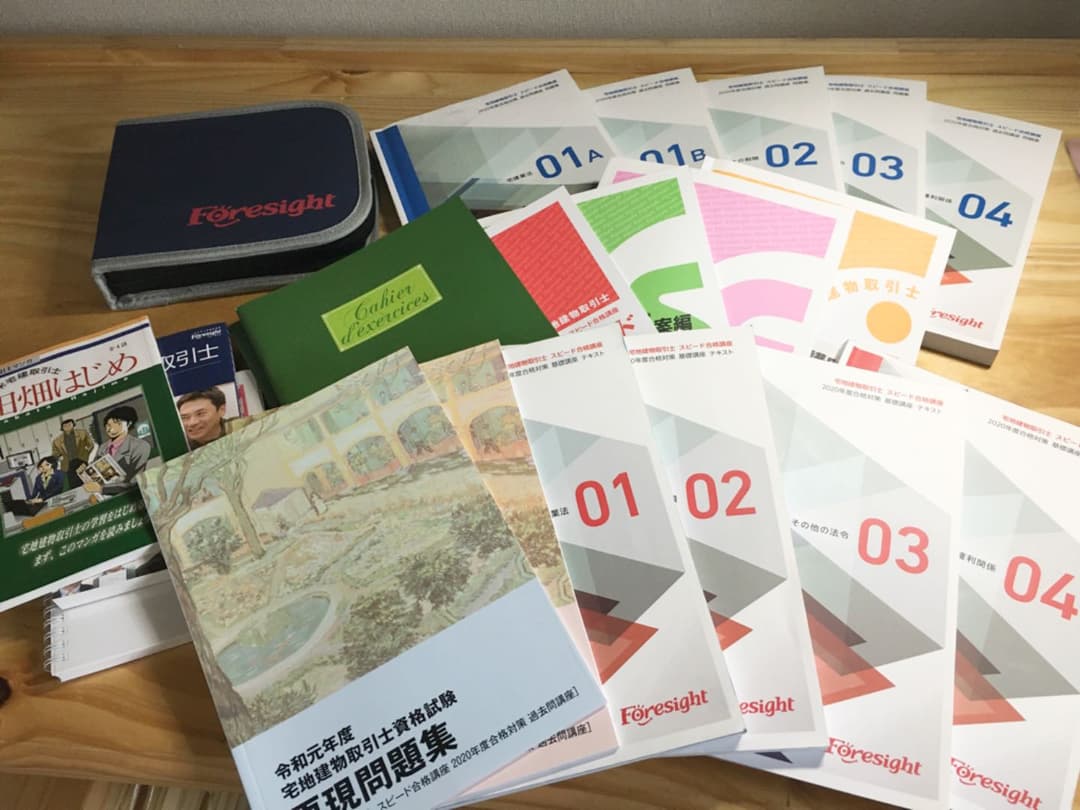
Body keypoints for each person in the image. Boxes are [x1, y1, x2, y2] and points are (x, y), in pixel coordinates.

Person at [83, 405, 152, 495]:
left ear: (129, 424)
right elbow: (96, 473)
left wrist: (102, 489)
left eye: (117, 423)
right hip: (102, 496)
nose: (110, 428)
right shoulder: (103, 447)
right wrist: (86, 472)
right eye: (108, 425)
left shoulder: (141, 446)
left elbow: (133, 482)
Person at [50, 418, 95, 486]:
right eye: (65, 426)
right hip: (68, 465)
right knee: (74, 484)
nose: (67, 427)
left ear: (73, 425)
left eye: (69, 424)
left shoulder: (82, 433)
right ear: (62, 428)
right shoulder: (57, 441)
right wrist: (60, 457)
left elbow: (91, 445)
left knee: (88, 481)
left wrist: (86, 455)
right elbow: (54, 454)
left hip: (81, 460)